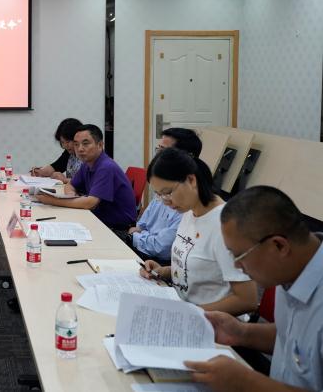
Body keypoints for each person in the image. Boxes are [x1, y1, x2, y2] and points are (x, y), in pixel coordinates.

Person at [184, 186, 323, 391]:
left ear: (279, 246)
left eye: (239, 255)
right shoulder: (291, 270)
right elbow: (294, 338)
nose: (236, 265)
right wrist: (242, 333)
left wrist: (247, 383)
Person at [139, 148, 257, 316]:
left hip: (213, 322)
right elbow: (200, 269)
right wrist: (163, 271)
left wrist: (189, 313)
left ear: (191, 180)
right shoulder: (189, 212)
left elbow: (247, 300)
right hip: (181, 309)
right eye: (159, 195)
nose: (166, 202)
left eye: (168, 193)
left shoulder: (226, 226)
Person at [37, 124, 137, 231]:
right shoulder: (87, 164)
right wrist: (70, 196)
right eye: (76, 144)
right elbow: (70, 185)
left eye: (85, 144)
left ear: (100, 145)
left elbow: (90, 203)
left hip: (118, 229)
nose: (80, 149)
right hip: (98, 218)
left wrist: (51, 200)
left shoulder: (106, 167)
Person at [125, 127, 203, 263]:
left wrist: (137, 236)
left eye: (164, 152)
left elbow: (162, 248)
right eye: (158, 150)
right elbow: (141, 225)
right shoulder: (166, 184)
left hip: (156, 257)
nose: (165, 200)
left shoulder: (188, 201)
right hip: (149, 254)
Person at [30, 117, 82, 183]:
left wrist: (65, 180)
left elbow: (87, 182)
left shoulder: (86, 155)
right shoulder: (69, 153)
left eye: (68, 142)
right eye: (62, 142)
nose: (65, 146)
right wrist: (40, 171)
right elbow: (55, 167)